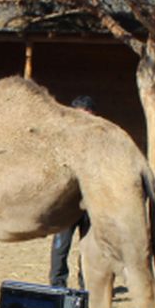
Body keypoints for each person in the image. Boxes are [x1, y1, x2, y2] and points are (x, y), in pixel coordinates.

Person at [50, 94, 98, 289]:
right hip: (67, 202)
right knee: (61, 245)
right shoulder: (62, 141)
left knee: (91, 246)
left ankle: (87, 283)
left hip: (92, 201)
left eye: (87, 115)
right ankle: (57, 284)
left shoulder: (100, 140)